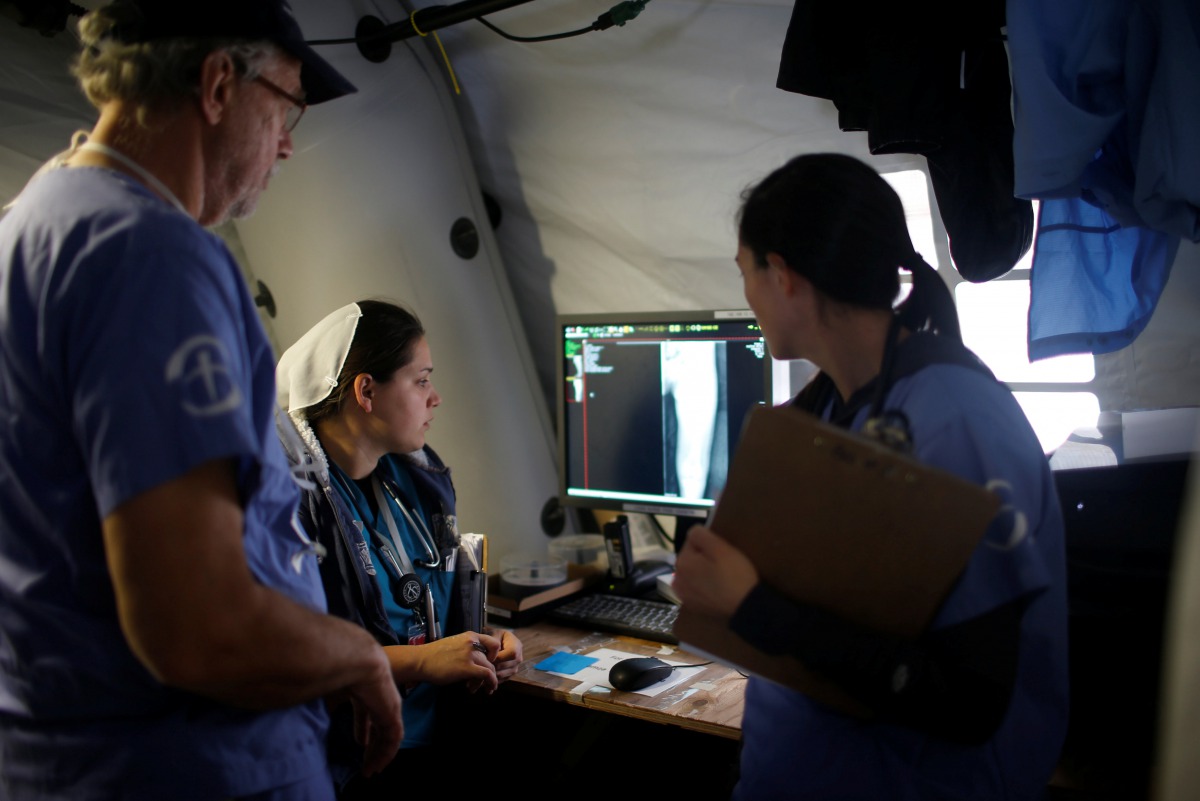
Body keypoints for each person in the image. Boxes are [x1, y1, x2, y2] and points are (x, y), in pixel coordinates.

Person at [0, 2, 405, 799]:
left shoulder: (27, 228)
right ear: (219, 83)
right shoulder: (151, 254)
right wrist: (359, 654)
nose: (289, 142)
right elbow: (200, 626)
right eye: (286, 107)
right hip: (182, 766)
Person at [672, 153, 1069, 801]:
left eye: (743, 271)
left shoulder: (958, 423)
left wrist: (752, 606)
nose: (746, 295)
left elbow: (967, 699)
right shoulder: (827, 406)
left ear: (782, 275)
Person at [275, 299, 524, 797]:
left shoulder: (415, 480)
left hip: (439, 736)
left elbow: (433, 603)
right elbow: (290, 658)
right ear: (366, 391)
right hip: (357, 760)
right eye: (422, 380)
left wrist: (483, 640)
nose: (436, 399)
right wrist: (424, 661)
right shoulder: (289, 504)